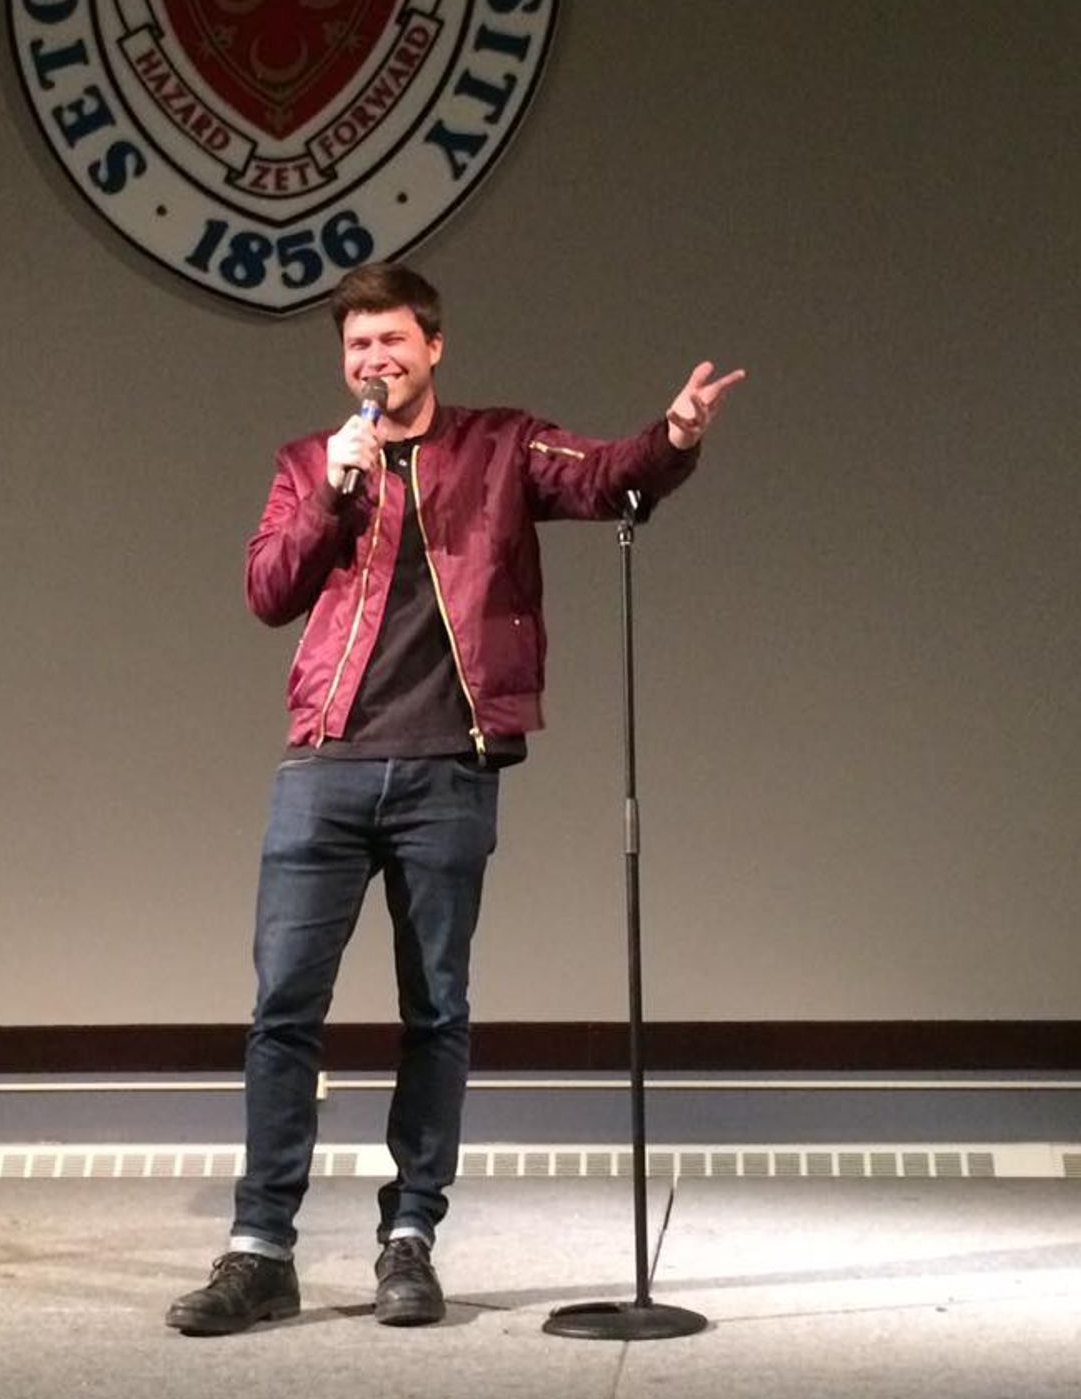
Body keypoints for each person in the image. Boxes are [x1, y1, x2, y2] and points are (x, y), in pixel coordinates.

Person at [166, 262, 744, 1335]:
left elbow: (605, 475)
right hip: (325, 766)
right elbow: (267, 590)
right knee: (283, 1009)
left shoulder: (501, 444)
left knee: (436, 1009)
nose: (374, 362)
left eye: (391, 343)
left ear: (433, 348)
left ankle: (410, 1237)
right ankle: (260, 1249)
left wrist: (672, 439)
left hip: (447, 767)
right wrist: (335, 489)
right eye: (357, 348)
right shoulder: (310, 463)